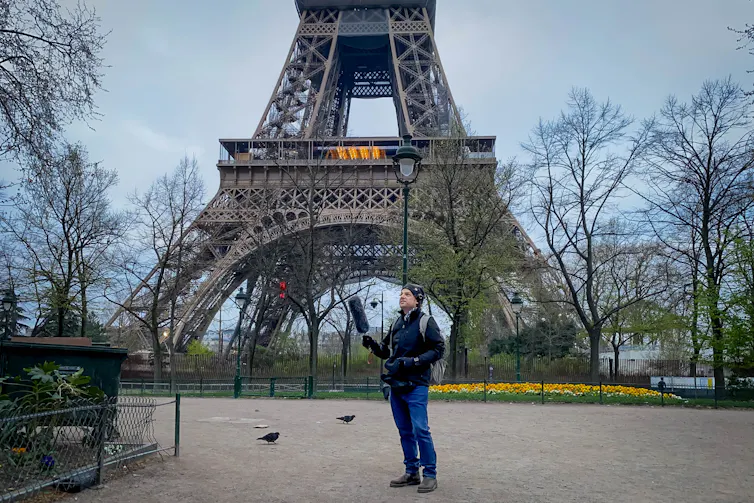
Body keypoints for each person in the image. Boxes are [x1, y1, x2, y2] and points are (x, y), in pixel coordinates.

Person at [361, 283, 445, 494]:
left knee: (420, 430)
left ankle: (430, 475)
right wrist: (372, 345)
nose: (402, 297)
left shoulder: (426, 322)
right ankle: (411, 471)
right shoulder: (397, 323)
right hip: (397, 384)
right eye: (401, 294)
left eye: (407, 294)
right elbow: (386, 351)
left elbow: (438, 349)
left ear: (417, 299)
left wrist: (414, 361)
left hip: (416, 384)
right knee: (405, 431)